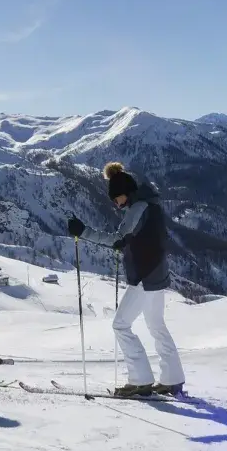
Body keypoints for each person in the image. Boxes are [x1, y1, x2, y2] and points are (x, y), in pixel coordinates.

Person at [66, 162, 185, 397]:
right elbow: (139, 239)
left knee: (120, 324)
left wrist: (84, 232)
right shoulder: (151, 205)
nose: (116, 204)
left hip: (144, 275)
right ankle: (172, 379)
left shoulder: (138, 207)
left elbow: (119, 238)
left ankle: (141, 381)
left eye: (116, 198)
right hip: (158, 273)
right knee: (156, 325)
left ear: (125, 193)